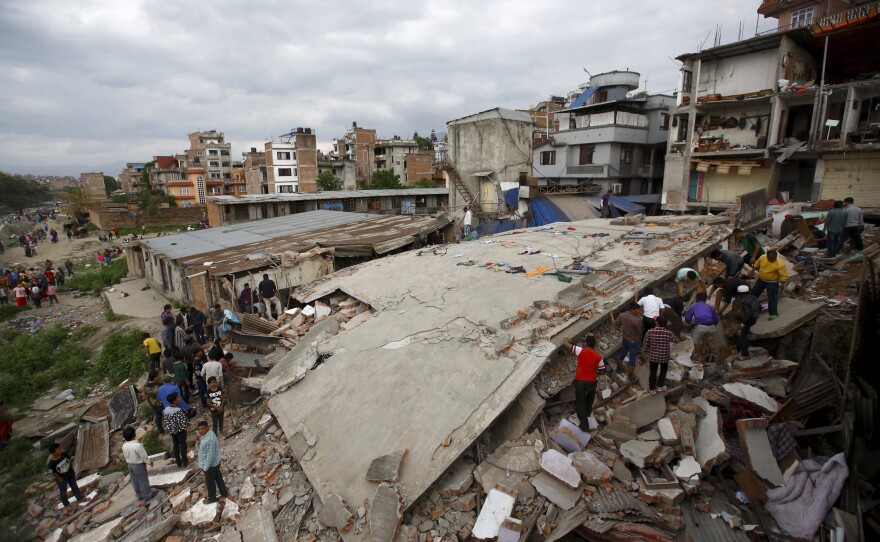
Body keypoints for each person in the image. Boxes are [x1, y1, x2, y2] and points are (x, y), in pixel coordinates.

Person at [562, 335, 605, 431]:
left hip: (580, 381)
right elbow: (602, 371)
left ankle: (584, 425)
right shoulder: (598, 356)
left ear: (586, 344)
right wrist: (595, 372)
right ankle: (587, 415)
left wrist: (566, 339)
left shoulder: (581, 351)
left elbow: (565, 344)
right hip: (592, 382)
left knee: (581, 402)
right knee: (589, 400)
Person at [641, 316, 679, 394]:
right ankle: (660, 386)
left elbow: (645, 344)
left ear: (656, 322)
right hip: (664, 356)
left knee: (653, 372)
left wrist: (645, 350)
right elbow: (676, 340)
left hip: (653, 356)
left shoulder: (650, 332)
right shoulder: (668, 333)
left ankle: (652, 389)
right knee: (663, 371)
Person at [196, 420, 230, 504]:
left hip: (210, 465)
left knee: (210, 483)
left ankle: (212, 499)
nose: (200, 431)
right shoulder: (209, 433)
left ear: (208, 427)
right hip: (215, 463)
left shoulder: (209, 439)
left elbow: (210, 456)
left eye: (203, 428)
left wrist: (206, 467)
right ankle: (224, 493)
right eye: (199, 429)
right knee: (218, 478)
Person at [47, 442, 88, 509]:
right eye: (58, 449)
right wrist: (59, 479)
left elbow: (69, 460)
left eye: (60, 448)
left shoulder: (64, 454)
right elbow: (53, 473)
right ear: (53, 452)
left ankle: (80, 498)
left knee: (75, 487)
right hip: (62, 478)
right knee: (63, 492)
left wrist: (72, 470)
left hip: (70, 474)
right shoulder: (51, 464)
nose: (60, 450)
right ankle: (66, 504)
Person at [122, 426, 154, 506]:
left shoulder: (124, 446)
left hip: (130, 465)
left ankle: (139, 495)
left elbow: (125, 456)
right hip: (138, 465)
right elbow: (144, 456)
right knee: (143, 480)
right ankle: (147, 495)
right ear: (134, 435)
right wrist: (149, 462)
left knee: (134, 481)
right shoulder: (137, 445)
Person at [752, 249, 788, 320]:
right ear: (767, 256)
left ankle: (773, 313)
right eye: (770, 259)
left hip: (773, 282)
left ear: (776, 257)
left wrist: (782, 285)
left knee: (772, 297)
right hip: (761, 280)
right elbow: (756, 264)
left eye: (773, 259)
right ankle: (753, 309)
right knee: (753, 294)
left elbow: (784, 275)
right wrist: (752, 271)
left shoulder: (780, 264)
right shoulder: (763, 257)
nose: (772, 261)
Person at [684, 292, 720, 362]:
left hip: (700, 327)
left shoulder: (693, 306)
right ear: (705, 299)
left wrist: (690, 323)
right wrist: (713, 325)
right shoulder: (710, 307)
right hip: (711, 326)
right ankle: (717, 359)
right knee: (711, 342)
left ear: (696, 298)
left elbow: (687, 318)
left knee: (697, 342)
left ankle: (699, 357)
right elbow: (716, 319)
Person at [611, 302, 642, 381]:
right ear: (633, 310)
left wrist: (611, 316)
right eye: (638, 310)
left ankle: (618, 369)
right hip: (633, 341)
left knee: (622, 354)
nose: (639, 311)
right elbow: (639, 332)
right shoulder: (636, 320)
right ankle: (630, 375)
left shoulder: (622, 315)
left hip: (625, 339)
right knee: (632, 358)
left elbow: (614, 323)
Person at [734, 285, 762, 361]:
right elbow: (760, 308)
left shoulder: (744, 302)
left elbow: (748, 314)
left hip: (750, 320)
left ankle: (745, 354)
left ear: (740, 293)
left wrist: (743, 323)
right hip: (755, 317)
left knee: (742, 337)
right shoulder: (753, 297)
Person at [163, 392, 189, 468]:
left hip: (172, 431)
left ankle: (178, 462)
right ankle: (185, 461)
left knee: (176, 445)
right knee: (183, 445)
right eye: (178, 398)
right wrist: (186, 426)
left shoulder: (166, 410)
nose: (179, 398)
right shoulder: (178, 410)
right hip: (180, 430)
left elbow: (167, 421)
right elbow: (184, 420)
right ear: (174, 401)